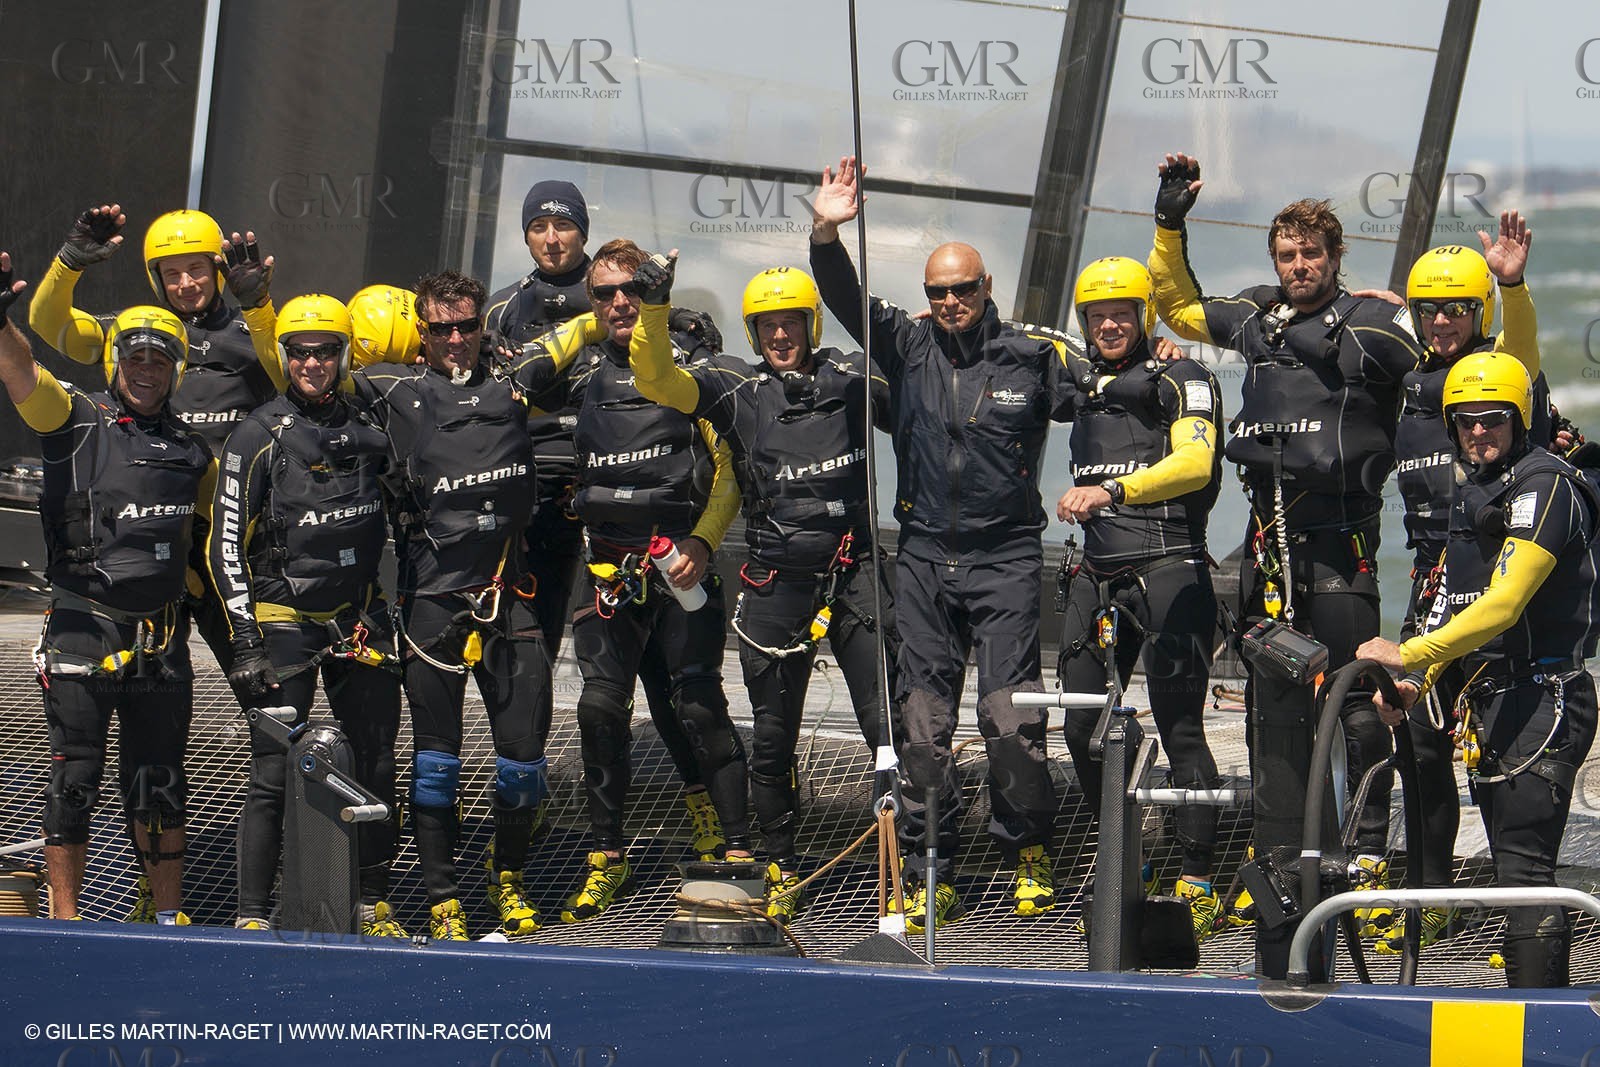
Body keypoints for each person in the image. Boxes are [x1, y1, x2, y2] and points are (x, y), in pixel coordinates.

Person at [1147, 153, 1425, 978]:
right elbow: (1178, 305)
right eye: (1286, 255)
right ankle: (1280, 863)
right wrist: (1169, 223)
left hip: (1341, 552)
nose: (1298, 267)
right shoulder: (1256, 318)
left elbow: (1451, 370)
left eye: (1310, 254)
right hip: (1269, 551)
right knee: (1273, 715)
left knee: (1357, 709)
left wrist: (1415, 313)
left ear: (1335, 257)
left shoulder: (1370, 327)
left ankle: (1366, 862)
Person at [808, 156, 1070, 932]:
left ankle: (1029, 851)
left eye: (964, 289)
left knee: (1011, 722)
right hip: (923, 557)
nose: (951, 302)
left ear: (988, 288)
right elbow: (844, 298)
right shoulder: (907, 345)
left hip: (1007, 558)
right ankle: (930, 867)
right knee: (922, 730)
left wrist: (1161, 364)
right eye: (938, 292)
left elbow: (1105, 394)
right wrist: (826, 230)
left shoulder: (1031, 355)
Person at [628, 258, 898, 923]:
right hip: (776, 583)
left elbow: (921, 394)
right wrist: (654, 307)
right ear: (753, 333)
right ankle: (782, 866)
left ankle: (907, 869)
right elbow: (656, 379)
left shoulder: (851, 376)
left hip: (855, 576)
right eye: (767, 326)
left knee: (885, 729)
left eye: (791, 323)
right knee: (773, 740)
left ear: (812, 324)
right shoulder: (734, 386)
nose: (781, 336)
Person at [484, 181, 737, 861]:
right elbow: (516, 379)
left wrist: (662, 312)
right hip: (556, 505)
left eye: (564, 224)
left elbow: (721, 444)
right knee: (553, 671)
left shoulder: (653, 328)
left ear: (583, 231)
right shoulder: (514, 310)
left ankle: (714, 815)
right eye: (538, 225)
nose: (552, 237)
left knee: (673, 686)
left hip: (649, 527)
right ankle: (547, 806)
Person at [1360, 352, 1600, 989]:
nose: (1478, 432)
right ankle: (1531, 1004)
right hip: (1491, 702)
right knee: (1513, 872)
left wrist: (1409, 654)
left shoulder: (1545, 486)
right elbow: (1451, 602)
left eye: (1492, 419)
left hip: (1544, 701)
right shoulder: (1472, 491)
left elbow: (1503, 604)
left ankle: (1539, 1021)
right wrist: (1416, 682)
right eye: (1464, 422)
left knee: (1524, 874)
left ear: (1519, 419)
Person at [0, 252, 214, 924]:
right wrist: (0, 322)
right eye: (134, 356)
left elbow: (210, 551)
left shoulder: (192, 449)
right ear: (115, 360)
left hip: (161, 640)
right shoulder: (74, 417)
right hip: (82, 631)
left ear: (177, 369)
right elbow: (21, 373)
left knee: (160, 785)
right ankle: (66, 923)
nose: (145, 369)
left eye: (159, 360)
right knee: (75, 780)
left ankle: (167, 921)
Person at [351, 270, 552, 940]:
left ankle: (507, 877)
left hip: (509, 598)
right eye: (442, 328)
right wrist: (260, 307)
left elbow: (587, 334)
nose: (457, 339)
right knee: (435, 766)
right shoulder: (394, 390)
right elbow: (303, 370)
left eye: (468, 325)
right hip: (432, 603)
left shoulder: (513, 381)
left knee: (524, 762)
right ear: (422, 332)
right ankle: (443, 900)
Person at [207, 294, 406, 936]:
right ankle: (250, 915)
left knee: (375, 759)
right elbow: (223, 544)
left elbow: (408, 509)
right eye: (298, 352)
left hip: (359, 617)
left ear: (344, 354)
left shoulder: (374, 423)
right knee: (273, 771)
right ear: (284, 355)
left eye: (325, 351)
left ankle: (372, 901)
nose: (312, 363)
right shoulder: (256, 434)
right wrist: (245, 642)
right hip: (282, 620)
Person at [1371, 222, 1544, 952]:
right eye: (1429, 310)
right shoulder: (1410, 383)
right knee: (1419, 744)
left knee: (1499, 753)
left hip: (1492, 588)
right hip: (1431, 584)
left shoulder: (1498, 375)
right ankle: (1432, 899)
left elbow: (1525, 360)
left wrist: (1513, 285)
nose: (1442, 322)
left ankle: (1520, 914)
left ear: (1480, 312)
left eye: (1457, 309)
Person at [1053, 256, 1225, 944]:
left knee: (1181, 728)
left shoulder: (1183, 376)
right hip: (1097, 575)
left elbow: (1197, 464)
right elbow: (1011, 346)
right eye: (1097, 316)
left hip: (1171, 571)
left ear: (1144, 315)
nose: (1110, 325)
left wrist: (1111, 491)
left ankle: (1198, 878)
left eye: (1122, 313)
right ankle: (1129, 858)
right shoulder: (1079, 378)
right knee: (1079, 726)